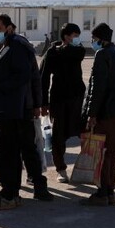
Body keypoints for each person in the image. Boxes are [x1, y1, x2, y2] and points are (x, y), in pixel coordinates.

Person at [0, 14, 53, 210]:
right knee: (12, 150)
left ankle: (15, 191)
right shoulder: (0, 48)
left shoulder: (17, 46)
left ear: (10, 28)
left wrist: (36, 103)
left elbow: (27, 76)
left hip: (17, 108)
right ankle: (21, 188)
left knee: (15, 150)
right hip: (8, 108)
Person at [80, 23, 115, 206]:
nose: (92, 42)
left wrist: (91, 113)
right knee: (111, 153)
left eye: (94, 39)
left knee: (101, 153)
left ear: (101, 39)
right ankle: (109, 192)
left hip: (106, 112)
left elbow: (97, 87)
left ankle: (102, 192)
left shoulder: (102, 55)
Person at [40, 23, 86, 182]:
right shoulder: (52, 53)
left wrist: (61, 49)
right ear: (66, 36)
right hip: (59, 98)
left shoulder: (78, 50)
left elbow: (74, 53)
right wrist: (43, 103)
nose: (77, 39)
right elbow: (44, 77)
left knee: (84, 133)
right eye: (75, 35)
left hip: (77, 98)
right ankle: (61, 169)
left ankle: (87, 167)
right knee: (58, 135)